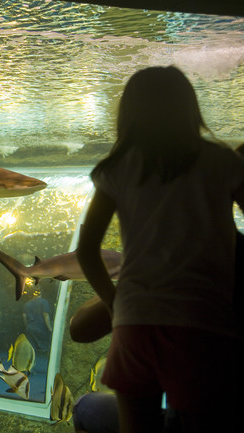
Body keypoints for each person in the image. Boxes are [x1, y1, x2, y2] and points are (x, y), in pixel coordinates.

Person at [76, 65, 244, 433]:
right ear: (190, 107)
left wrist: (114, 301)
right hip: (201, 323)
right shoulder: (223, 162)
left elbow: (86, 250)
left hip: (133, 324)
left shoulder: (117, 167)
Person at [21, 288, 52, 353]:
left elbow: (24, 316)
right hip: (41, 328)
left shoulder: (27, 304)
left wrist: (27, 325)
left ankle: (30, 361)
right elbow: (45, 315)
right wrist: (50, 328)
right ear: (41, 293)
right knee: (43, 349)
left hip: (30, 328)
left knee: (31, 348)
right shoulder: (44, 302)